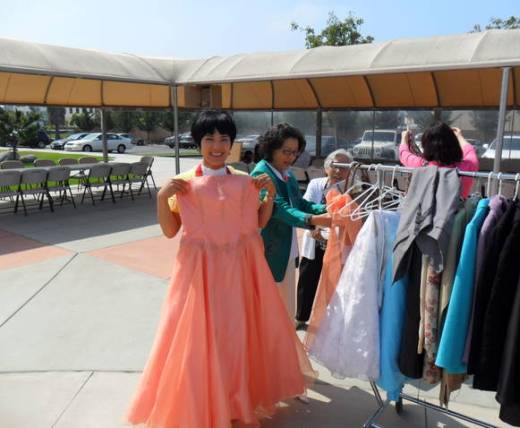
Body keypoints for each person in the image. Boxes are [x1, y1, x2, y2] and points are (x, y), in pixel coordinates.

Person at [126, 111, 313, 428]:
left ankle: (235, 399)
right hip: (199, 276)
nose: (217, 146)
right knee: (199, 339)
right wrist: (162, 197)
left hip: (240, 272)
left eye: (224, 139)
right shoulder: (185, 183)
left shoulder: (244, 180)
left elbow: (258, 223)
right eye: (209, 139)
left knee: (237, 337)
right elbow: (170, 231)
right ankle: (202, 402)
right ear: (198, 143)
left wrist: (267, 195)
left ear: (232, 143)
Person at [251, 123, 332, 320]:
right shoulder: (261, 173)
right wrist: (312, 219)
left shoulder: (286, 173)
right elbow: (279, 209)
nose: (290, 157)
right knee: (270, 313)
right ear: (271, 148)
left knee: (284, 310)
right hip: (269, 251)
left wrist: (326, 208)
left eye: (295, 152)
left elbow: (299, 203)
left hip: (286, 249)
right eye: (286, 151)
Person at [295, 149, 352, 331]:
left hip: (337, 243)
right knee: (307, 279)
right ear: (327, 168)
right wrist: (314, 228)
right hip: (315, 238)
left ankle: (330, 322)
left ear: (350, 171)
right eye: (335, 166)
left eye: (343, 167)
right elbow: (306, 208)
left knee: (334, 282)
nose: (338, 171)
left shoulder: (352, 189)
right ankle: (301, 318)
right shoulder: (316, 184)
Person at [399, 122, 479, 198]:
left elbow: (404, 154)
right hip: (456, 208)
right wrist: (459, 137)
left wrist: (404, 139)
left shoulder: (421, 165)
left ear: (426, 145)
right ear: (454, 144)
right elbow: (470, 152)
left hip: (425, 208)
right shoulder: (465, 168)